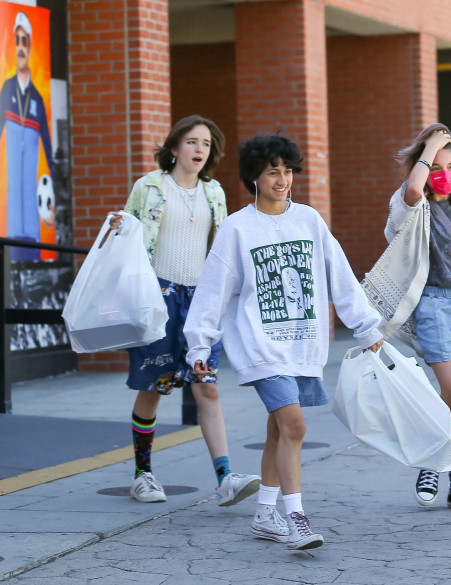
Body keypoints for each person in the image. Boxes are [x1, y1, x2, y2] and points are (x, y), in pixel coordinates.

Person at [183, 135, 384, 550]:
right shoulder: (237, 228)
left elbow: (340, 276)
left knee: (279, 428)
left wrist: (366, 327)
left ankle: (263, 514)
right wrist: (199, 346)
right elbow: (213, 289)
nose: (282, 179)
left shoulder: (309, 220)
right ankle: (296, 518)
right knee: (294, 424)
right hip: (260, 345)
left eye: (288, 170)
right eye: (273, 171)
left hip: (303, 345)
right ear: (254, 176)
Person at [109, 115, 260, 506]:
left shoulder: (214, 192)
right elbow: (126, 232)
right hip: (158, 299)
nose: (199, 150)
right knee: (154, 388)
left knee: (206, 387)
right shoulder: (150, 186)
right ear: (174, 147)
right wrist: (117, 226)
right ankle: (143, 475)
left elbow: (223, 247)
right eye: (192, 142)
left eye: (206, 144)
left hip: (201, 304)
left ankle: (226, 478)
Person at [384, 123, 451, 513]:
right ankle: (430, 464)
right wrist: (433, 144)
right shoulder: (414, 207)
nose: (445, 174)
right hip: (433, 305)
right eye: (436, 166)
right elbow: (413, 190)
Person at [0, 10, 54, 262]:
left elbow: (50, 156)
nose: (21, 46)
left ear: (31, 47)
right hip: (8, 224)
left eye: (26, 41)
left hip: (33, 225)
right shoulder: (6, 88)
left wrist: (53, 203)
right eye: (17, 40)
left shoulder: (38, 99)